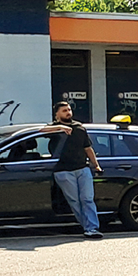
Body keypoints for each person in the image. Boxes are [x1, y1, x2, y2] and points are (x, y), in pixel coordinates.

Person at [47, 100, 103, 238]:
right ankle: (87, 226)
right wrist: (59, 128)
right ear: (57, 114)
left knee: (87, 199)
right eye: (64, 110)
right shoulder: (53, 128)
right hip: (63, 171)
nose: (68, 112)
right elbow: (39, 131)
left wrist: (96, 164)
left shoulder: (79, 128)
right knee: (74, 201)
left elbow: (88, 148)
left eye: (69, 110)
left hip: (82, 168)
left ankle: (92, 228)